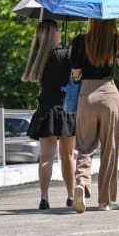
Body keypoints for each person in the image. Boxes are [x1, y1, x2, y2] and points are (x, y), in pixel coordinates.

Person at [70, 19, 119, 213]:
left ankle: (82, 183)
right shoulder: (116, 40)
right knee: (109, 148)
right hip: (109, 94)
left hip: (87, 95)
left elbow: (76, 73)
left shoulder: (79, 41)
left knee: (84, 145)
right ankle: (104, 201)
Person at [22, 19, 77, 210]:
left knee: (45, 158)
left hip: (46, 110)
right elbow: (77, 75)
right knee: (67, 156)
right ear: (53, 33)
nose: (61, 32)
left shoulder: (38, 58)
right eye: (59, 30)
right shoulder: (66, 54)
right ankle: (71, 196)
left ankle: (44, 197)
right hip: (65, 109)